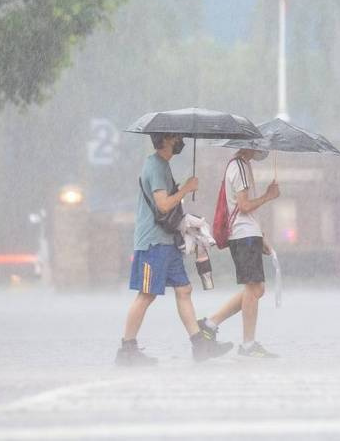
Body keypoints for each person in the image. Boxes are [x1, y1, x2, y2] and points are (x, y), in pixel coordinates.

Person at [116, 133, 233, 366]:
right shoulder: (155, 166)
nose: (180, 140)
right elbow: (163, 204)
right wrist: (186, 189)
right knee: (146, 294)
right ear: (166, 139)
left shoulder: (163, 166)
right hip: (153, 243)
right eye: (177, 137)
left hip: (168, 242)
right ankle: (127, 350)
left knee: (184, 289)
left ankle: (200, 346)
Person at [202, 148, 280, 358]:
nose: (261, 149)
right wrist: (268, 196)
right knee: (253, 289)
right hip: (243, 235)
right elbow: (244, 206)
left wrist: (260, 236)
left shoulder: (242, 166)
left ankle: (210, 324)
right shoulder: (239, 167)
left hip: (248, 235)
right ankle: (247, 344)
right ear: (249, 145)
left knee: (256, 289)